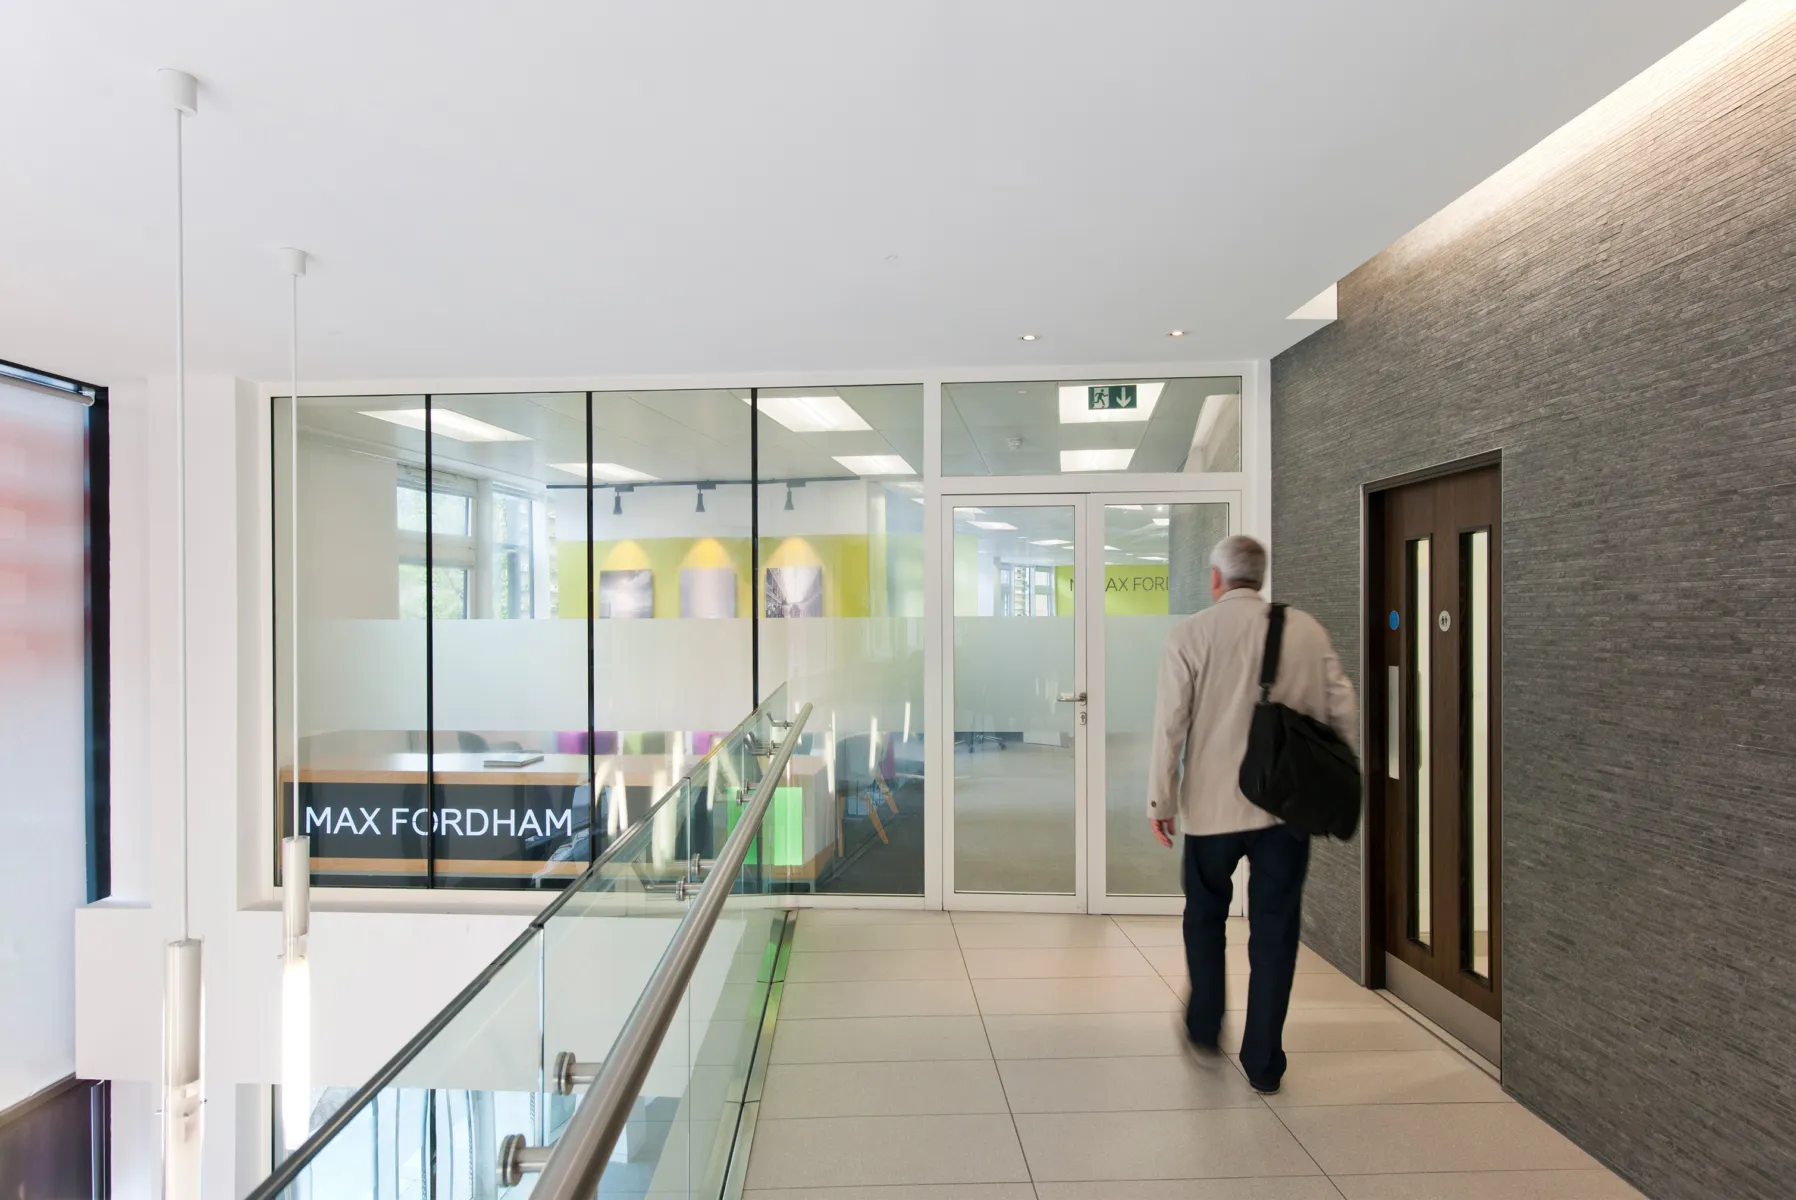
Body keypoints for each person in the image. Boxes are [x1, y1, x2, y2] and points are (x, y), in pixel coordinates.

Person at [1147, 534, 1356, 1095]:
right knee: (1274, 930)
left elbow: (1171, 727)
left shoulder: (1189, 634)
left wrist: (1161, 802)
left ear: (1216, 579)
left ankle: (1204, 1025)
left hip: (1212, 810)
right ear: (1259, 578)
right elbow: (1343, 710)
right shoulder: (1306, 631)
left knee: (1205, 915)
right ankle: (1264, 1060)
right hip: (1284, 812)